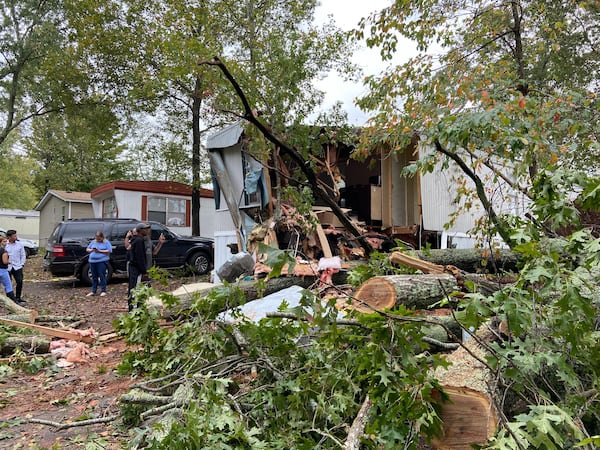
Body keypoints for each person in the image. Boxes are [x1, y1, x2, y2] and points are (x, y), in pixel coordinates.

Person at [127, 223, 150, 311]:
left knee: (133, 287)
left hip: (133, 267)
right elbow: (140, 257)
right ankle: (134, 308)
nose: (147, 230)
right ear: (140, 230)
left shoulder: (136, 240)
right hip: (136, 268)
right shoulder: (139, 241)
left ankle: (133, 307)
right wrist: (144, 271)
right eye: (145, 229)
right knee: (135, 288)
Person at [86, 231, 112, 297]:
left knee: (101, 275)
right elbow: (87, 249)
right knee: (94, 276)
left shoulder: (106, 242)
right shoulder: (93, 242)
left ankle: (103, 290)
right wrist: (92, 250)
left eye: (99, 238)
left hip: (102, 261)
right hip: (92, 261)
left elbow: (109, 250)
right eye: (97, 238)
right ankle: (93, 290)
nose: (98, 239)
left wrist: (100, 251)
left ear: (102, 237)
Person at [5, 230, 26, 305]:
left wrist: (22, 263)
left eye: (16, 235)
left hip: (17, 266)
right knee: (8, 283)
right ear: (9, 237)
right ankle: (10, 298)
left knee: (19, 281)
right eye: (14, 236)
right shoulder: (5, 245)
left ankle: (18, 297)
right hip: (7, 267)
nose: (15, 237)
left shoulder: (19, 244)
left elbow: (23, 255)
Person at [0, 237, 20, 305]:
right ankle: (13, 302)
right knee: (8, 286)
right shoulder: (3, 251)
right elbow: (5, 261)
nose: (6, 243)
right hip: (3, 271)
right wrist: (9, 261)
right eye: (4, 241)